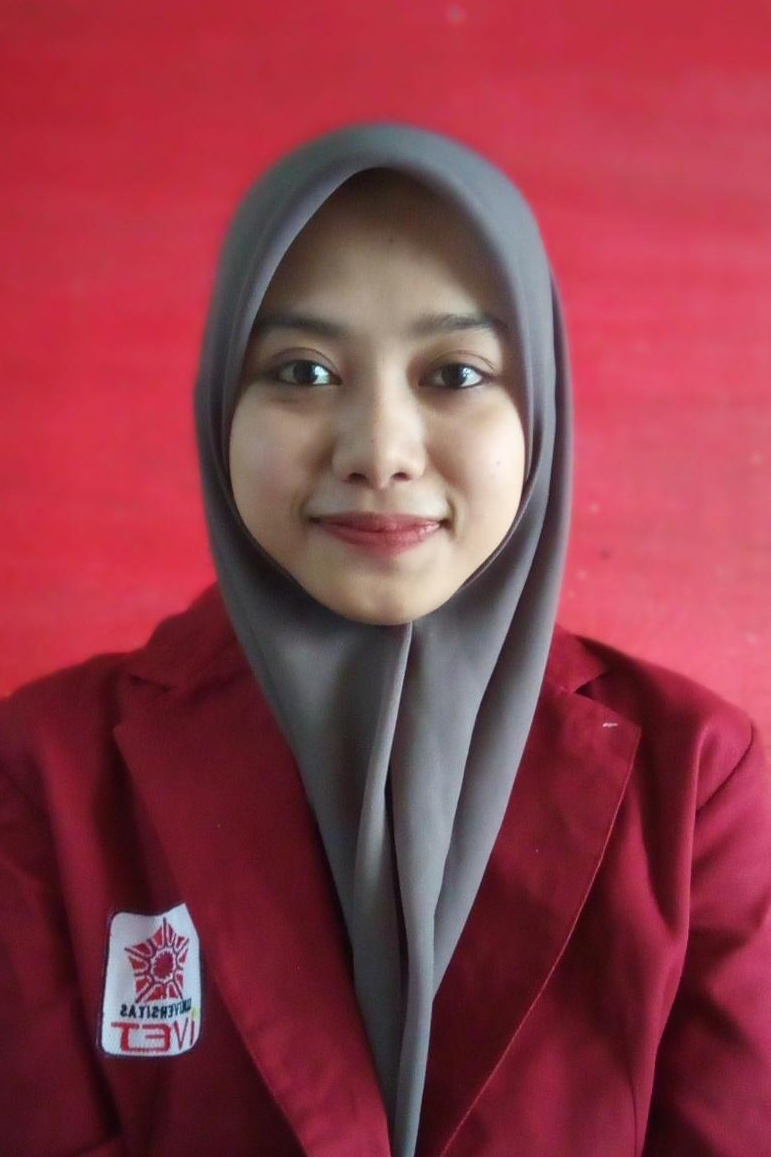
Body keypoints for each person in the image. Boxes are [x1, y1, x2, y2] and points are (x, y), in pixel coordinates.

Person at [1, 121, 770, 1157]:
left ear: (540, 410)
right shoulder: (44, 768)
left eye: (455, 374)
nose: (379, 451)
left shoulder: (699, 778)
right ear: (220, 399)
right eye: (302, 371)